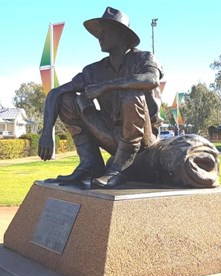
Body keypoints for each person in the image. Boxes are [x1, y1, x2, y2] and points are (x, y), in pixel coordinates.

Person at [38, 7, 164, 188]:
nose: (100, 37)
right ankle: (90, 163)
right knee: (67, 99)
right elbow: (55, 93)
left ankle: (119, 168)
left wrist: (105, 86)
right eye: (99, 33)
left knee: (132, 95)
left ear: (121, 35)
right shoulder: (93, 70)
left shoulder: (143, 58)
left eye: (105, 32)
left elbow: (151, 79)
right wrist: (46, 131)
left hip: (144, 140)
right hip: (111, 135)